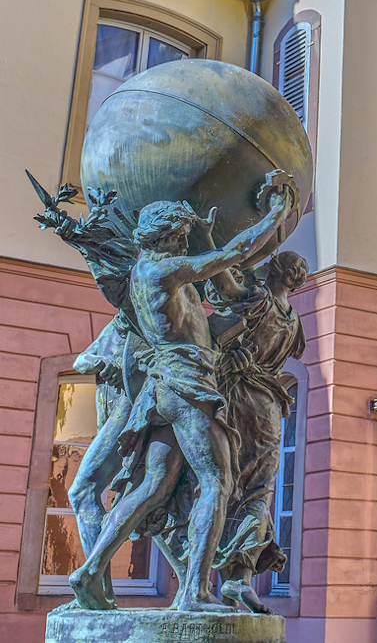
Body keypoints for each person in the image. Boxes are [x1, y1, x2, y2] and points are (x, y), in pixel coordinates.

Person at [69, 174, 296, 612]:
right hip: (188, 385)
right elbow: (235, 253)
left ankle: (91, 570)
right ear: (173, 236)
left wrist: (208, 235)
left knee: (154, 486)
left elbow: (203, 319)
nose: (186, 241)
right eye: (184, 234)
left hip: (167, 389)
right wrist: (275, 214)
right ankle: (194, 593)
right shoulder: (165, 270)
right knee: (218, 482)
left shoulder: (149, 272)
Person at [212, 250, 309, 613]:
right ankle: (240, 576)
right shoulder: (294, 321)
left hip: (237, 395)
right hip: (268, 407)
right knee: (258, 491)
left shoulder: (258, 299)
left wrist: (218, 250)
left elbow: (224, 287)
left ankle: (226, 575)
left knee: (225, 485)